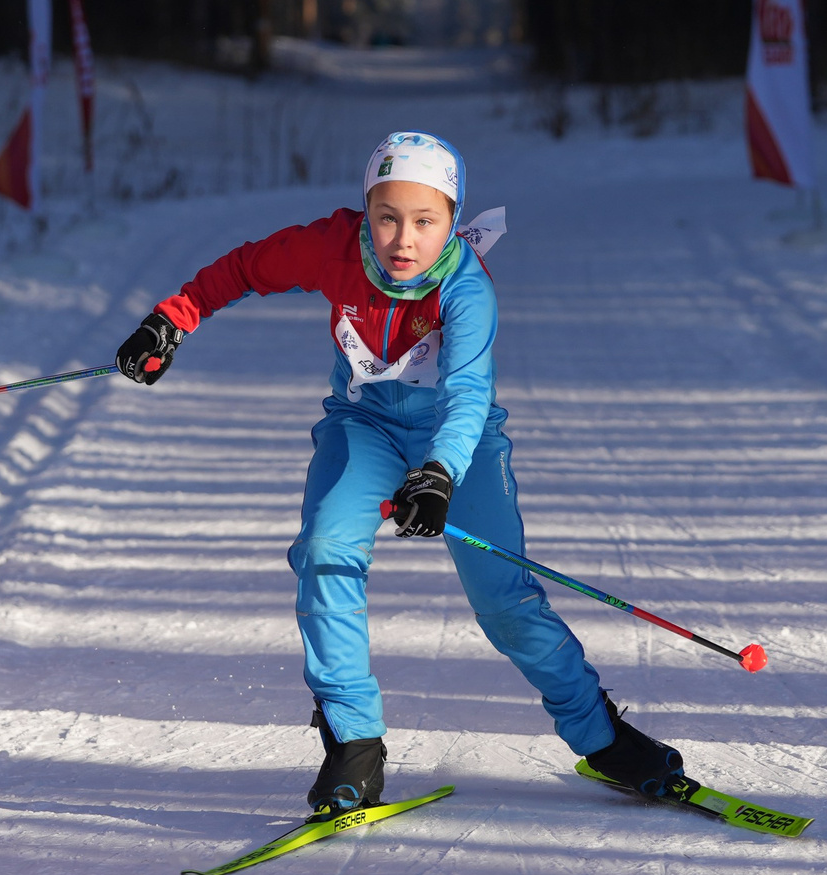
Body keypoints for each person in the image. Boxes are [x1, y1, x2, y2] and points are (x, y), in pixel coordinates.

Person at [113, 131, 688, 815]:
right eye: (387, 217)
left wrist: (439, 473)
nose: (403, 240)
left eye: (424, 220)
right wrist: (170, 321)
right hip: (365, 427)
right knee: (325, 550)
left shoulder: (466, 288)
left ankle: (602, 738)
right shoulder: (333, 246)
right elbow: (244, 269)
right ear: (366, 211)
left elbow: (467, 395)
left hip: (460, 443)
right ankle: (354, 746)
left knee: (504, 598)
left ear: (452, 219)